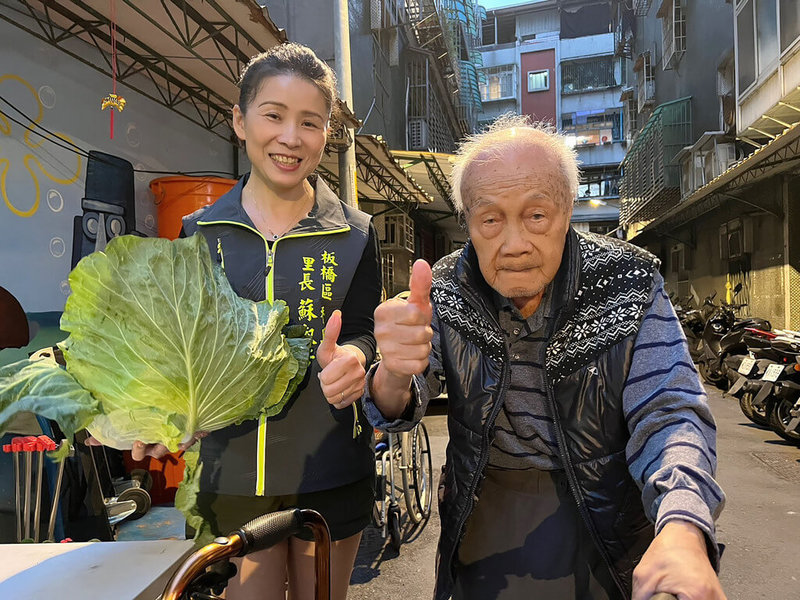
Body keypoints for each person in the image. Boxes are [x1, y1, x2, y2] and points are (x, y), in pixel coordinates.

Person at [365, 115, 726, 600]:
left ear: (568, 209)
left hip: (609, 519)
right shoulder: (445, 286)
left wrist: (682, 524)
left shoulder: (629, 281)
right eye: (490, 219)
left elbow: (669, 411)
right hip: (482, 517)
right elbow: (401, 403)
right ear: (467, 220)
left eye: (536, 216)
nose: (514, 245)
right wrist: (390, 372)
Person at [140, 43, 381, 600]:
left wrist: (359, 357)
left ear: (326, 135)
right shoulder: (199, 234)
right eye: (273, 115)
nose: (290, 137)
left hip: (332, 469)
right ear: (239, 121)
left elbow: (367, 328)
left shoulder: (356, 233)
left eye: (310, 123)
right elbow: (186, 354)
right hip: (232, 475)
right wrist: (163, 413)